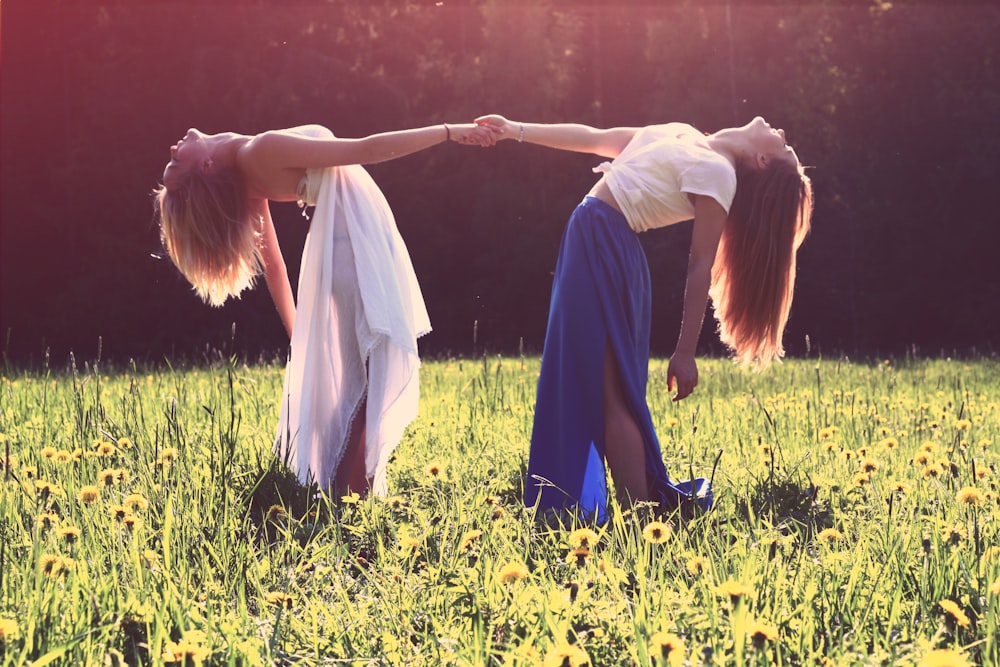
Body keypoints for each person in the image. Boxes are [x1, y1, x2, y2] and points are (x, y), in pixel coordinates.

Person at [475, 114, 813, 520]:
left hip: (605, 244)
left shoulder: (719, 175)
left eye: (785, 147)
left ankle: (641, 520)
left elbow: (700, 265)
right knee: (603, 388)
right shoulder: (687, 135)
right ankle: (640, 514)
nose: (782, 132)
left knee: (610, 394)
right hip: (594, 238)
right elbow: (595, 135)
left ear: (761, 160)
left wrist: (685, 351)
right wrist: (515, 130)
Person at [154, 122, 497, 497]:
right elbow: (368, 146)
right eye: (176, 164)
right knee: (367, 381)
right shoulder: (260, 152)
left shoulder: (248, 168)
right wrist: (448, 131)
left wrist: (299, 337)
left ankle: (345, 490)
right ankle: (349, 494)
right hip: (355, 253)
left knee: (362, 382)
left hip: (351, 248)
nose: (171, 151)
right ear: (205, 166)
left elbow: (275, 267)